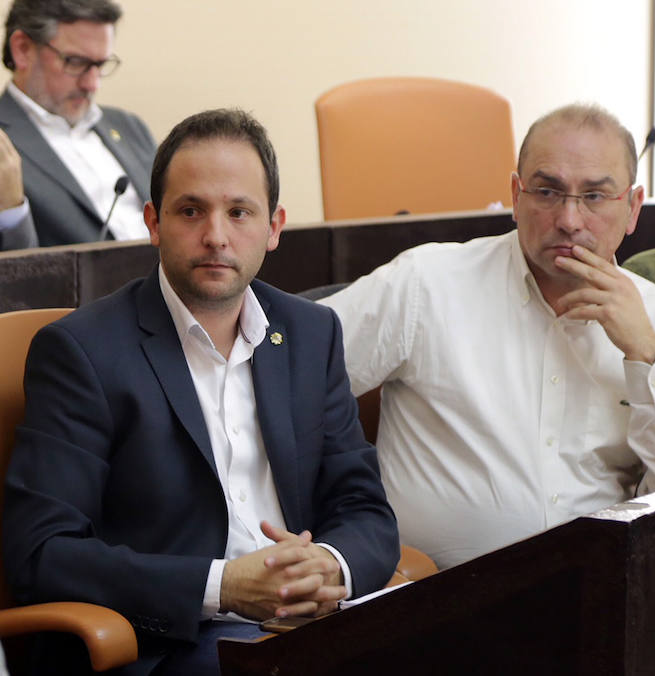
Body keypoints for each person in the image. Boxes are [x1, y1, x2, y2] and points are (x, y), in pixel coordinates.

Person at [3, 109, 399, 676]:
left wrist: (332, 568)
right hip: (177, 645)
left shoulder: (311, 333)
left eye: (239, 212)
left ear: (274, 226)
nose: (216, 235)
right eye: (191, 211)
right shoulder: (82, 352)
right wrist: (222, 587)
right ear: (153, 222)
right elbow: (40, 553)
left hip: (308, 624)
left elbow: (364, 508)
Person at [320, 103, 655, 570]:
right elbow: (285, 374)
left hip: (597, 595)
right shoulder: (427, 284)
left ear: (632, 207)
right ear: (516, 196)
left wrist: (647, 356)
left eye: (596, 196)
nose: (569, 220)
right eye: (548, 191)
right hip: (429, 599)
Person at [0, 0, 156, 249]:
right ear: (22, 49)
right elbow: (17, 278)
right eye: (76, 62)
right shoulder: (3, 143)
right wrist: (10, 213)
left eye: (100, 65)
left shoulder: (130, 127)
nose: (93, 85)